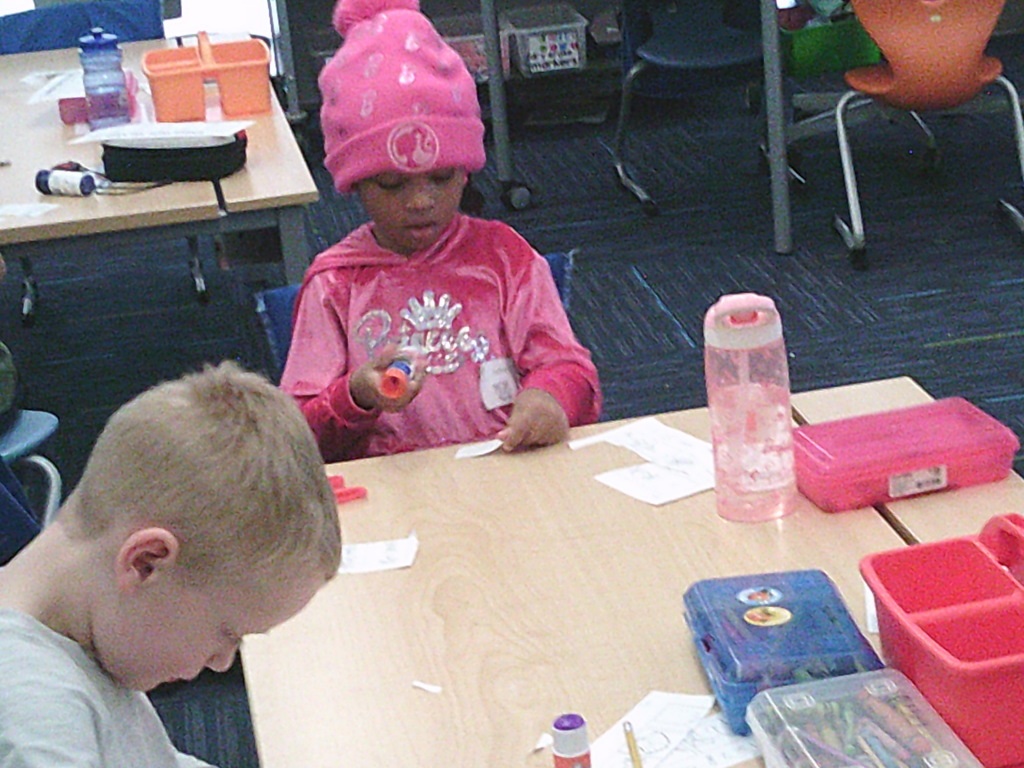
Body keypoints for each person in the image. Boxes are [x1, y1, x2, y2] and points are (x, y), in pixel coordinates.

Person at [280, 0, 602, 463]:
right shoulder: (337, 283)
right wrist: (356, 396)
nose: (420, 201)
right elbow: (294, 435)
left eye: (441, 177)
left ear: (467, 171)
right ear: (355, 185)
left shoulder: (504, 258)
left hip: (504, 476)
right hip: (394, 497)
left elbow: (568, 365)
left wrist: (550, 397)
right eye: (391, 184)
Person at [0, 361, 341, 767]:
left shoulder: (87, 634)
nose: (222, 662)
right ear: (146, 564)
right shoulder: (33, 721)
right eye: (227, 633)